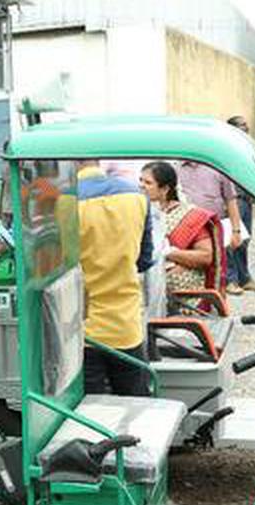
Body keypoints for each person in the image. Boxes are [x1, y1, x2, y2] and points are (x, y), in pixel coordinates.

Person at [77, 159, 152, 396]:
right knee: (135, 409)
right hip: (126, 325)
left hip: (81, 332)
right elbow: (144, 260)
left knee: (91, 415)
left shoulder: (61, 201)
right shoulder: (137, 195)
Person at [140, 162, 225, 314]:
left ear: (165, 189)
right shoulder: (136, 211)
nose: (141, 186)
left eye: (148, 183)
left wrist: (168, 253)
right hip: (142, 298)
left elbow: (206, 256)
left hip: (184, 302)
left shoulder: (189, 216)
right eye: (140, 181)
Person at [176, 159, 245, 293]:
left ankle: (217, 300)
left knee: (217, 269)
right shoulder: (176, 169)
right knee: (187, 268)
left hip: (213, 229)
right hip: (186, 230)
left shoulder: (217, 168)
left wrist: (236, 231)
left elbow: (231, 201)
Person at [225, 116, 255, 292]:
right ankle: (231, 280)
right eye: (242, 126)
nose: (246, 129)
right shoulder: (227, 150)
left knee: (245, 241)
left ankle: (244, 278)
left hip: (246, 200)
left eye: (247, 126)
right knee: (233, 240)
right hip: (234, 199)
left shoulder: (247, 150)